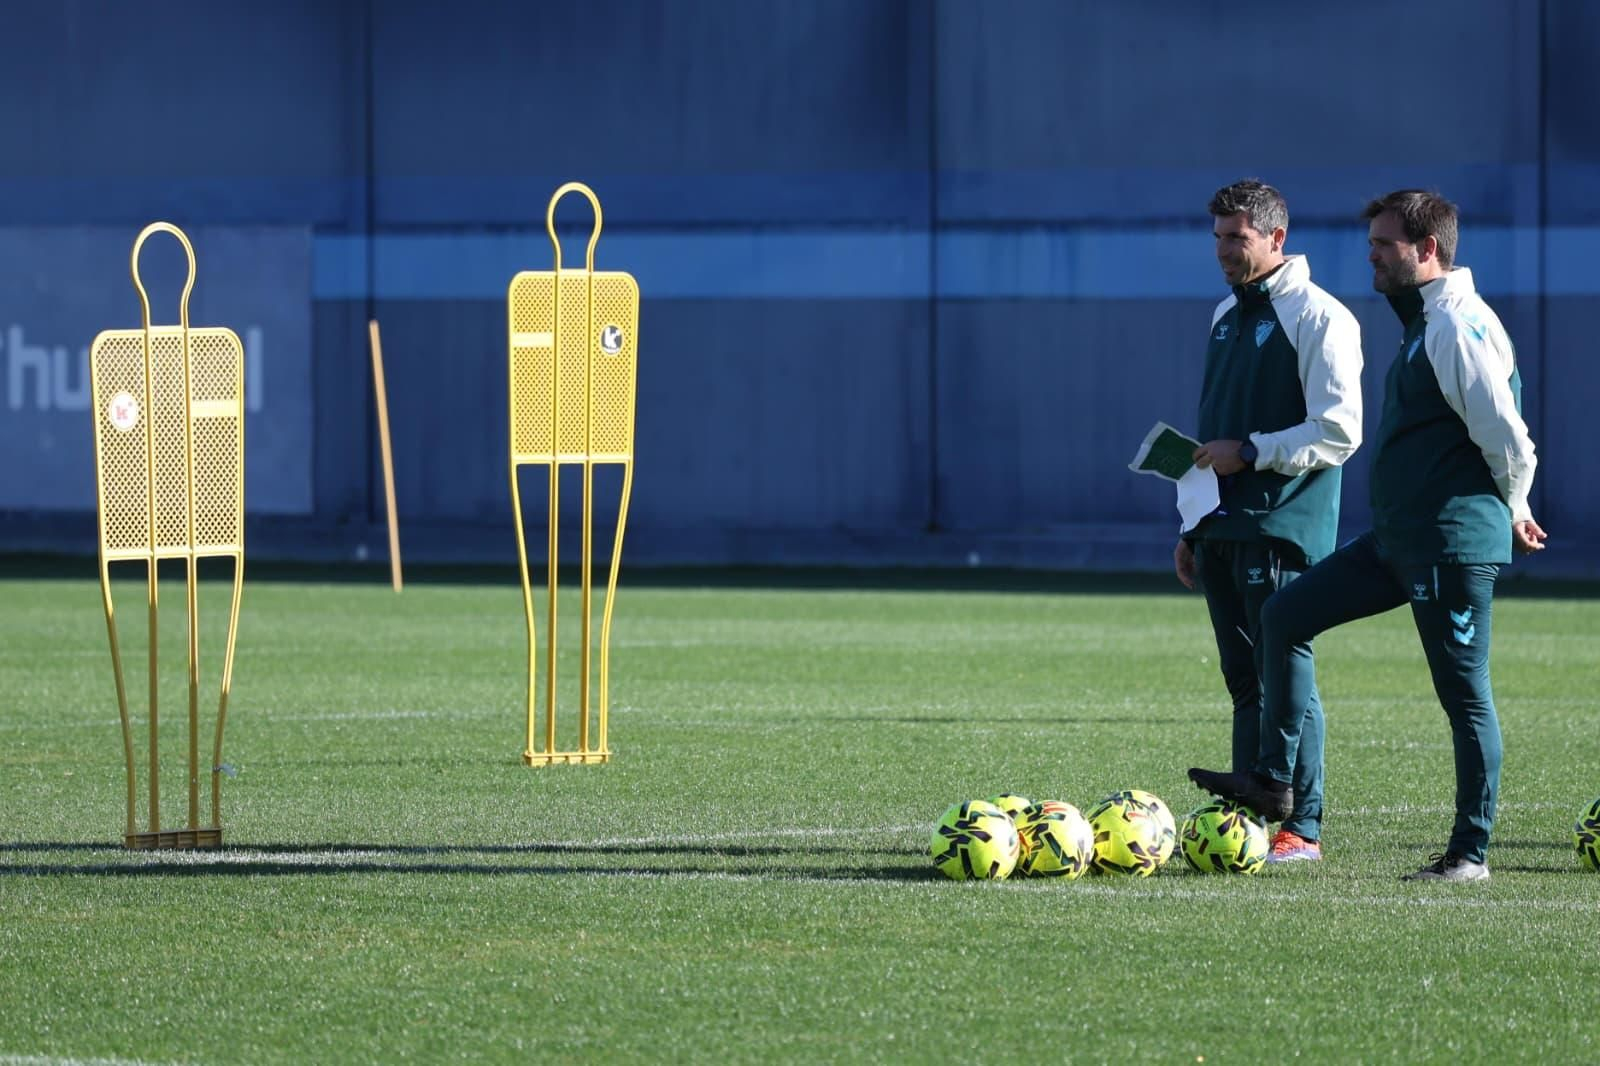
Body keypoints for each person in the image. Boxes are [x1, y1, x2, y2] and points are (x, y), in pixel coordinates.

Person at [1189, 189, 1546, 882]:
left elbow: (1506, 435)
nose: (1371, 257)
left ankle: (1469, 853)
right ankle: (1272, 781)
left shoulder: (1455, 326)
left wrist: (1516, 503)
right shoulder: (1424, 322)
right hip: (1397, 538)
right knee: (1285, 617)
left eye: (1383, 246)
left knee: (1465, 698)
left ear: (1426, 250)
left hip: (1450, 544)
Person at [1175, 179, 1364, 864]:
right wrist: (1194, 526)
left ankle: (1301, 827)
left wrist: (1254, 451)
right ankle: (1247, 820)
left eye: (1238, 238)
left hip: (1283, 521)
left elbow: (1341, 430)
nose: (1224, 250)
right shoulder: (1226, 313)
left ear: (1276, 238)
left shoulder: (1320, 317)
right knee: (1245, 679)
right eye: (1219, 238)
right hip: (1224, 525)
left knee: (1286, 673)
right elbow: (1211, 439)